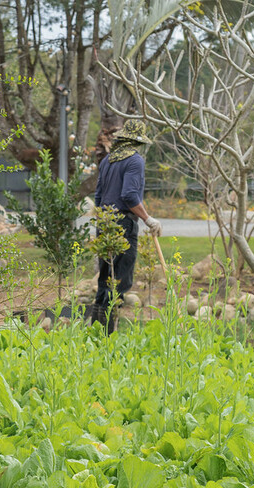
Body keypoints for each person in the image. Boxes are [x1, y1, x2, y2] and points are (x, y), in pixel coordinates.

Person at [92, 119, 162, 332]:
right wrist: (148, 219)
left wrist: (105, 219)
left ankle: (97, 332)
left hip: (104, 223)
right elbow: (130, 195)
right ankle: (108, 335)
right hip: (123, 224)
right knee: (120, 281)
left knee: (105, 279)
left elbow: (98, 196)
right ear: (137, 142)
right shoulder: (135, 161)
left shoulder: (107, 161)